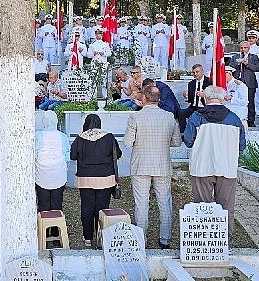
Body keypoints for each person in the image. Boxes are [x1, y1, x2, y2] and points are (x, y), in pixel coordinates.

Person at [183, 86, 246, 246]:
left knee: (203, 205)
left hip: (202, 166)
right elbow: (241, 145)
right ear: (222, 98)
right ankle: (225, 241)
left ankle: (204, 240)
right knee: (226, 207)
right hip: (227, 166)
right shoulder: (234, 118)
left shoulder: (197, 116)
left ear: (205, 98)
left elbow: (189, 141)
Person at [123, 86, 181, 249]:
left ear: (144, 99)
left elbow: (127, 142)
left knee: (142, 203)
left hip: (141, 164)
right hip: (162, 164)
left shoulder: (136, 116)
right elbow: (176, 142)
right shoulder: (169, 116)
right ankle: (165, 239)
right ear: (159, 99)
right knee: (165, 202)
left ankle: (141, 239)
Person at [70, 114, 122, 248]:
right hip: (105, 178)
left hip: (85, 178)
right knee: (102, 207)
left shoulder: (80, 137)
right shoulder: (108, 136)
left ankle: (88, 239)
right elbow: (119, 154)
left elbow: (73, 156)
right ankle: (101, 236)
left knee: (87, 207)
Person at [35, 111, 70, 212]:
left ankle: (42, 226)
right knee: (57, 204)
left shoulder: (38, 135)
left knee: (43, 204)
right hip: (59, 175)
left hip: (41, 176)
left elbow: (34, 155)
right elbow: (66, 157)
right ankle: (55, 226)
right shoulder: (62, 136)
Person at [229, 41, 259, 127]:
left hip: (249, 83)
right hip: (237, 82)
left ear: (249, 48)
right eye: (241, 48)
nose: (243, 49)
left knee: (250, 102)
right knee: (235, 100)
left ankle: (251, 121)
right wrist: (238, 63)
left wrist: (247, 64)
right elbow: (230, 67)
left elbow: (257, 68)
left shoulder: (254, 57)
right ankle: (236, 119)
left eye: (245, 48)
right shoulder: (235, 57)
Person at [177, 64, 212, 132]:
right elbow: (190, 100)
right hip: (193, 107)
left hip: (204, 107)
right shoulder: (191, 83)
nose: (195, 74)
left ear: (202, 71)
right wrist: (186, 96)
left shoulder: (209, 82)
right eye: (193, 72)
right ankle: (183, 132)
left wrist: (204, 95)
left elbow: (212, 96)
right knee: (180, 112)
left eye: (197, 72)